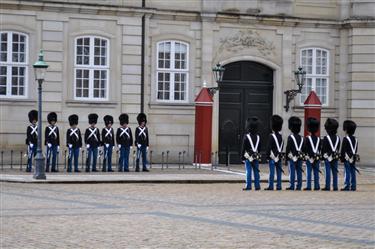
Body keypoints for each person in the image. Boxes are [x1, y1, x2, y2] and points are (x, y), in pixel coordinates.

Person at [241, 116, 261, 191]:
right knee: (256, 171)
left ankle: (248, 185)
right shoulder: (258, 137)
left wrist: (242, 157)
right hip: (256, 156)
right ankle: (257, 185)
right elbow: (259, 148)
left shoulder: (246, 136)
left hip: (248, 156)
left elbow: (243, 148)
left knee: (248, 171)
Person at [265, 115, 284, 191]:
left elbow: (268, 147)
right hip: (278, 156)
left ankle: (271, 185)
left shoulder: (271, 136)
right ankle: (279, 186)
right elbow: (281, 146)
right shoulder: (281, 136)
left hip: (272, 157)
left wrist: (267, 156)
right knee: (279, 172)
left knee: (272, 172)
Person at [285, 116, 304, 191]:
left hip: (292, 157)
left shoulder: (290, 137)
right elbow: (303, 148)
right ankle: (299, 186)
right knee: (299, 172)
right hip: (299, 157)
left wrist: (286, 158)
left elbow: (288, 148)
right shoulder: (302, 138)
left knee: (292, 172)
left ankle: (292, 185)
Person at [322, 118, 340, 191]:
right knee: (335, 172)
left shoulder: (326, 138)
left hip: (327, 157)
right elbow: (338, 147)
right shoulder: (338, 138)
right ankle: (335, 186)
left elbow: (324, 149)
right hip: (335, 157)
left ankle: (327, 186)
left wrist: (323, 156)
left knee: (327, 172)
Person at [340, 120, 359, 191]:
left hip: (347, 158)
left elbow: (343, 150)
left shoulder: (345, 139)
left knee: (347, 172)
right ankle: (353, 186)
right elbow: (356, 148)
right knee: (353, 172)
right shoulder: (356, 139)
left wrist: (342, 158)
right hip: (353, 158)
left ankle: (346, 185)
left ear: (347, 130)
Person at [303, 117, 322, 191]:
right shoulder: (318, 139)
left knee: (309, 173)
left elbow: (305, 148)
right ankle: (317, 186)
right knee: (316, 173)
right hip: (316, 158)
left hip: (309, 158)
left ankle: (309, 186)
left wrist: (307, 156)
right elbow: (320, 148)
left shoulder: (307, 138)